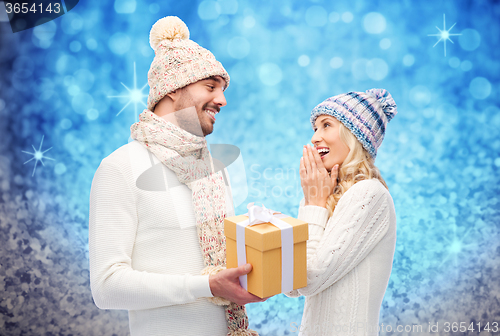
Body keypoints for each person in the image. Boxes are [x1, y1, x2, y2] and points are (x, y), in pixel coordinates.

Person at [88, 16, 262, 336]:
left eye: (222, 89)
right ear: (172, 89)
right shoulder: (121, 168)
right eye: (210, 87)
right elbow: (106, 286)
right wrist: (206, 286)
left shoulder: (213, 170)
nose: (222, 100)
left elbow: (221, 262)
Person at [286, 89, 398, 336]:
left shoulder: (369, 193)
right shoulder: (321, 195)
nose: (315, 137)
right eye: (315, 128)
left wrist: (313, 203)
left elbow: (308, 279)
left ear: (355, 136)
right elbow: (290, 286)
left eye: (326, 125)